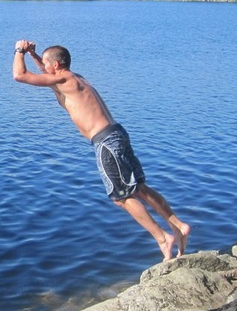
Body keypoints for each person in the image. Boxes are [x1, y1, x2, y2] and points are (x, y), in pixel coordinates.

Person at [12, 40, 190, 262]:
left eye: (46, 64)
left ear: (56, 66)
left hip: (106, 141)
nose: (43, 68)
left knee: (121, 197)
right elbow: (45, 71)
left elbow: (20, 75)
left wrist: (19, 50)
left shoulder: (62, 78)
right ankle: (178, 226)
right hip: (117, 133)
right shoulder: (74, 77)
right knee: (140, 189)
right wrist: (34, 55)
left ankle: (163, 238)